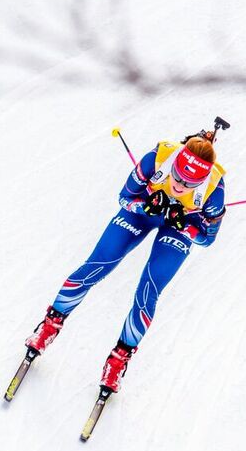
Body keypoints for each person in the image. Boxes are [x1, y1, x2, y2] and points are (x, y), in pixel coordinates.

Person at [23, 130, 227, 393]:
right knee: (98, 265)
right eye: (177, 177)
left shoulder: (215, 187)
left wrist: (186, 226)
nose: (179, 186)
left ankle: (118, 361)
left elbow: (207, 239)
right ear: (174, 162)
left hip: (178, 227)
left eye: (189, 184)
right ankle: (48, 326)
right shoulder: (157, 158)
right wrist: (146, 207)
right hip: (141, 214)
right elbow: (124, 198)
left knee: (148, 290)